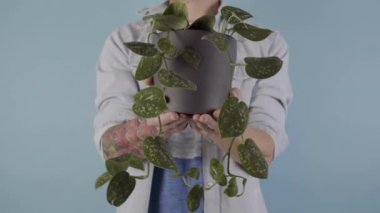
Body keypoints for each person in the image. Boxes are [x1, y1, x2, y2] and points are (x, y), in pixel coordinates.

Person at [94, 0, 293, 212]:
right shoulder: (126, 40)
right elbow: (111, 148)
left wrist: (226, 130)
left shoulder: (266, 44)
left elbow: (265, 152)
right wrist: (151, 127)